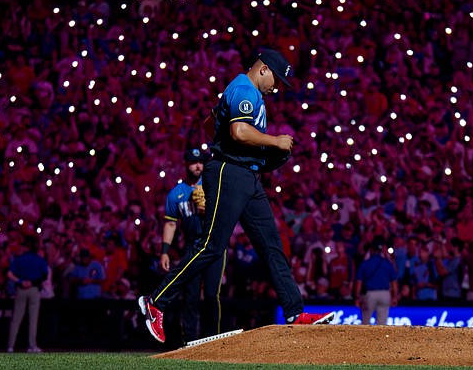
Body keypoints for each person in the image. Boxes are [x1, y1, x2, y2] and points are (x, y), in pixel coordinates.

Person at [138, 49, 334, 343]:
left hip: (246, 175)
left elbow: (210, 125)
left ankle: (294, 313)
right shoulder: (244, 88)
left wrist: (246, 151)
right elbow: (240, 131)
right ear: (264, 69)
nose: (277, 87)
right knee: (210, 246)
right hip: (229, 173)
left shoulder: (242, 91)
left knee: (271, 246)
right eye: (276, 79)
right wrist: (274, 141)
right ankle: (156, 302)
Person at [159, 147, 225, 343]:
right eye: (194, 162)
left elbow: (225, 215)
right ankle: (189, 341)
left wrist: (208, 210)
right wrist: (165, 251)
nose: (198, 166)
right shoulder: (176, 194)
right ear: (186, 164)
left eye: (201, 162)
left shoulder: (213, 185)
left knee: (212, 295)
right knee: (190, 296)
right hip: (192, 247)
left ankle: (213, 339)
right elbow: (171, 223)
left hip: (214, 245)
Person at [6, 235, 49, 353]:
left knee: (16, 318)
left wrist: (21, 281)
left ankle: (10, 346)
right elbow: (44, 276)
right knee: (33, 318)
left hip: (21, 289)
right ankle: (32, 346)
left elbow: (9, 274)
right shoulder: (40, 259)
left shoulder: (19, 259)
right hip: (34, 289)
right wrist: (31, 282)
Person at [354, 236, 398, 326]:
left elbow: (359, 282)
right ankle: (380, 340)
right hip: (385, 294)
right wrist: (395, 296)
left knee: (365, 323)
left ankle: (364, 340)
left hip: (370, 294)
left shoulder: (365, 263)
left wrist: (357, 297)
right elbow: (394, 282)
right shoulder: (387, 263)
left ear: (372, 249)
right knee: (382, 325)